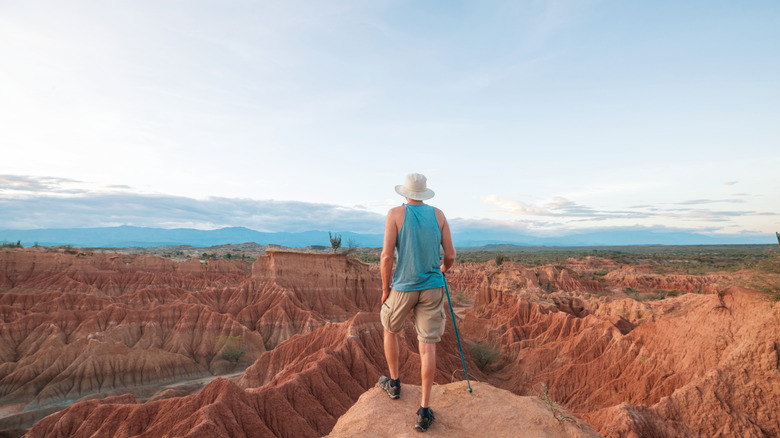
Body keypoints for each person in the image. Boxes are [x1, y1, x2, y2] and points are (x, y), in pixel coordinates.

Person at [377, 173, 456, 433]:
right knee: (427, 347)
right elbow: (451, 255)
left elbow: (387, 256)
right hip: (433, 287)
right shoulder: (439, 215)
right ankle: (423, 410)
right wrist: (443, 267)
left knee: (390, 329)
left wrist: (385, 288)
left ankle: (395, 384)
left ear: (405, 193)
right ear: (425, 193)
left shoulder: (395, 215)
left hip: (403, 286)